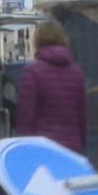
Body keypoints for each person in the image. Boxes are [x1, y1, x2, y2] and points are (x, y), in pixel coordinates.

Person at [15, 19, 87, 154]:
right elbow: (81, 115)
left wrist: (23, 148)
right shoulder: (77, 72)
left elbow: (26, 116)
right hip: (71, 146)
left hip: (42, 146)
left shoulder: (32, 72)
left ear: (37, 40)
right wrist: (81, 144)